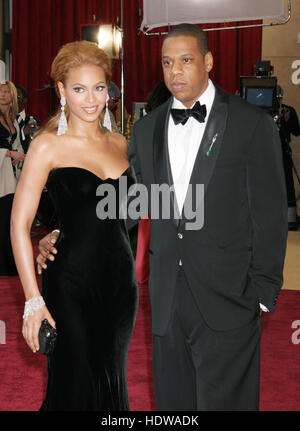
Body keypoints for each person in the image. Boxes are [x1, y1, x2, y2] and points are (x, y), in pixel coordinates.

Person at [36, 24, 287, 411]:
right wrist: (62, 232)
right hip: (167, 299)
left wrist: (262, 296)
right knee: (173, 406)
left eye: (186, 60)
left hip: (229, 297)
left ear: (208, 61)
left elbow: (269, 214)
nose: (176, 72)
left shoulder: (250, 124)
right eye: (168, 63)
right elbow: (126, 202)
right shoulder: (148, 129)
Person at [10, 40, 138, 411]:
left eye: (99, 88)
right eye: (79, 89)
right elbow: (18, 226)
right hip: (69, 285)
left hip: (119, 286)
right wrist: (33, 302)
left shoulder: (120, 143)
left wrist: (60, 230)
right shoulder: (47, 145)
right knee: (74, 385)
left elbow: (125, 214)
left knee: (112, 379)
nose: (91, 99)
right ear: (62, 91)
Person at [0, 80, 24, 275]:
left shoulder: (13, 119)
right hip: (1, 177)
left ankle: (9, 264)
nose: (2, 95)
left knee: (10, 219)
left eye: (6, 91)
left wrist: (18, 155)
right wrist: (9, 154)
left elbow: (16, 144)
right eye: (0, 91)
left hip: (10, 177)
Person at [276, 85, 300, 230]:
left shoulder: (287, 110)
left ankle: (290, 219)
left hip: (283, 151)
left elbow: (297, 131)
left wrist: (288, 120)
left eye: (279, 95)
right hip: (263, 153)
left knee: (288, 184)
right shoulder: (259, 112)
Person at [16, 85, 40, 154]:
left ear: (25, 100)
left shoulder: (34, 122)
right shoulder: (4, 121)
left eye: (17, 97)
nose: (13, 100)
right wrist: (23, 133)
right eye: (12, 97)